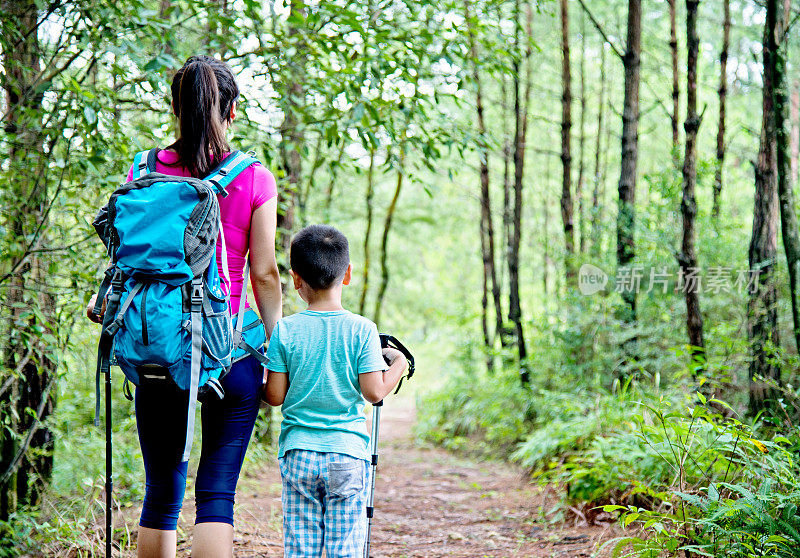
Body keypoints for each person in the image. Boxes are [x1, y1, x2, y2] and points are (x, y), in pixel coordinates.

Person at [88, 55, 282, 558]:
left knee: (160, 496)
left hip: (158, 346)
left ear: (175, 107)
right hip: (230, 348)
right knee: (216, 494)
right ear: (232, 111)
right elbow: (263, 272)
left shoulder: (142, 170)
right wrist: (275, 343)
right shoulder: (253, 177)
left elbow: (127, 257)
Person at [263, 224, 408, 558]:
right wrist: (398, 364)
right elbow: (374, 393)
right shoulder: (363, 330)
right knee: (345, 547)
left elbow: (274, 396)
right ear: (348, 274)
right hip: (348, 454)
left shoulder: (286, 329)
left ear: (296, 279)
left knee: (301, 546)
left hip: (298, 452)